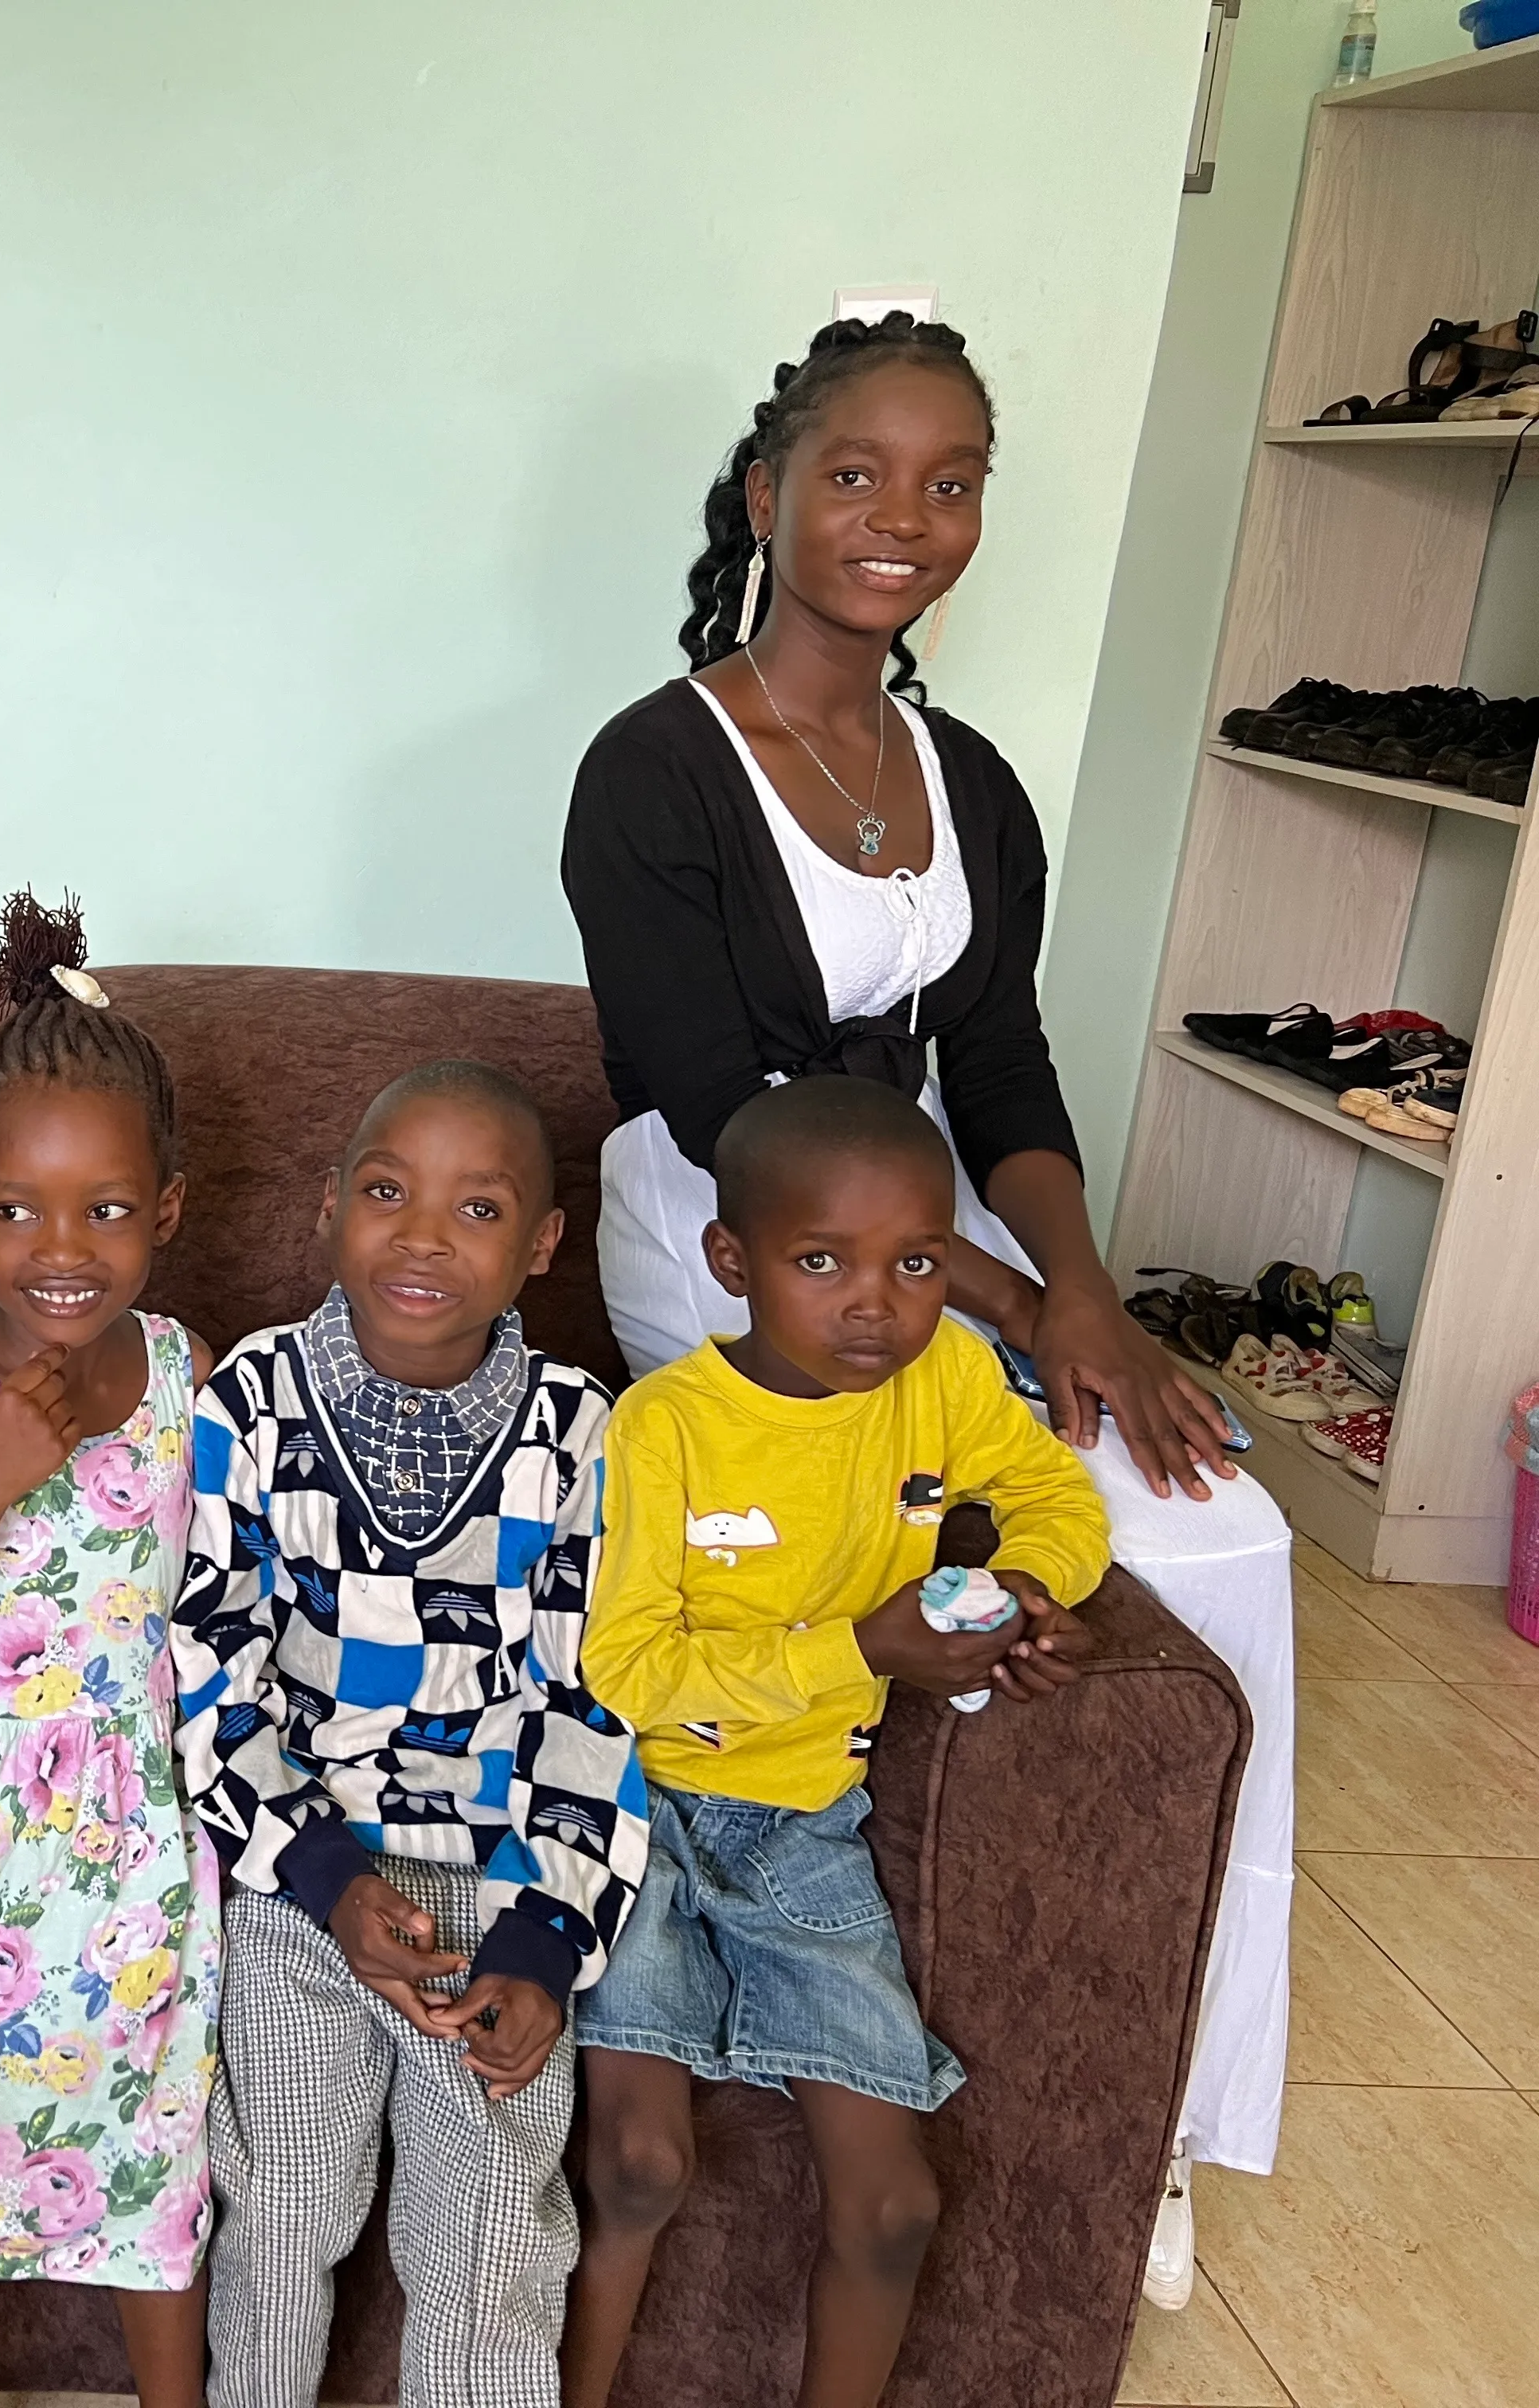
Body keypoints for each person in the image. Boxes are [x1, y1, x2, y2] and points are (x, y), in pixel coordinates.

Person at [557, 309, 1295, 2199]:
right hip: (739, 1230)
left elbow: (1006, 1063)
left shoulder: (969, 780)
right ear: (767, 497)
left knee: (1220, 1530)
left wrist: (1089, 1301)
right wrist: (1007, 1305)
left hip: (938, 1224)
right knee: (887, 1513)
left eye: (951, 482)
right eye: (859, 474)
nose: (907, 517)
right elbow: (724, 1104)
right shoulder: (654, 770)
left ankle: (1173, 2109)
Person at [557, 1079, 1110, 2408]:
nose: (877, 1304)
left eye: (916, 1263)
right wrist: (862, 1649)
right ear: (732, 1261)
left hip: (808, 1827)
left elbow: (1055, 1493)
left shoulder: (946, 1378)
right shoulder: (665, 1426)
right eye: (822, 1262)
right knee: (639, 2167)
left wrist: (1027, 1589)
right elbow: (626, 1672)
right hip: (636, 1815)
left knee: (896, 2205)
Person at [174, 1059, 646, 2408]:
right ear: (329, 1206)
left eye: (478, 1209)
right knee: (281, 2211)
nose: (425, 1237)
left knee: (490, 2244)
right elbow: (209, 1667)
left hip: (503, 1889)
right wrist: (327, 1878)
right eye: (388, 1193)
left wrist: (543, 1944)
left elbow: (594, 1703)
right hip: (301, 1884)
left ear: (542, 1245)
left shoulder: (578, 1436)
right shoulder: (252, 1402)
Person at [0, 897, 221, 2408]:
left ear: (169, 1209)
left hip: (139, 1855)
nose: (61, 1253)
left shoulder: (190, 1371)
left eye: (107, 1211)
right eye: (18, 1212)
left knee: (156, 2193)